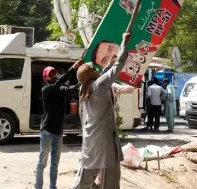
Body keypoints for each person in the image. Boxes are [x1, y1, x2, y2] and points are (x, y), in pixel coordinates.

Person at [72, 32, 131, 189]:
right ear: (92, 75)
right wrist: (124, 43)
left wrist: (108, 65)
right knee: (100, 176)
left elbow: (102, 78)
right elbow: (118, 68)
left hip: (93, 139)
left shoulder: (85, 88)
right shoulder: (98, 87)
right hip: (103, 139)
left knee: (89, 176)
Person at [35, 59, 82, 189]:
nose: (54, 76)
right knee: (42, 162)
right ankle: (38, 187)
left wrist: (81, 83)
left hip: (58, 131)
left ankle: (52, 187)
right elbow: (60, 83)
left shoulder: (59, 88)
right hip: (47, 131)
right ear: (45, 78)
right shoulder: (46, 89)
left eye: (55, 73)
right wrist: (74, 67)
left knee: (54, 163)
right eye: (51, 74)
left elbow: (69, 90)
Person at [91, 39, 158, 85]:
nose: (112, 55)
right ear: (103, 67)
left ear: (116, 44)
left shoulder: (146, 49)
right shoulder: (124, 82)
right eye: (105, 60)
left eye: (110, 49)